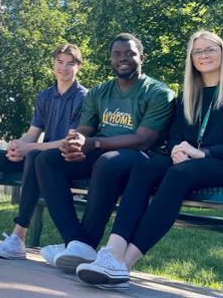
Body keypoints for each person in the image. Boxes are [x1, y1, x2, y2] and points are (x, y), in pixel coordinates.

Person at [75, 30, 223, 291]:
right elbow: (175, 136)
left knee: (178, 174)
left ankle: (125, 265)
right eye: (198, 51)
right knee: (144, 168)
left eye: (210, 49)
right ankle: (112, 251)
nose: (204, 55)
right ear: (192, 58)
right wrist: (176, 150)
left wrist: (203, 153)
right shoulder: (189, 93)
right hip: (192, 163)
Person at [36, 34, 175, 274]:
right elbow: (84, 131)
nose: (123, 59)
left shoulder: (158, 92)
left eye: (129, 54)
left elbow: (144, 140)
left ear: (141, 58)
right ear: (111, 59)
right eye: (117, 54)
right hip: (100, 150)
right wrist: (74, 144)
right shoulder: (99, 93)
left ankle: (85, 244)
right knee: (47, 160)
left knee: (107, 162)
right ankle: (75, 241)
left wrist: (94, 144)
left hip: (139, 157)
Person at [0, 43, 88, 259]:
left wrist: (28, 148)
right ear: (53, 64)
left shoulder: (84, 97)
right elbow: (32, 133)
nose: (64, 68)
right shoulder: (45, 96)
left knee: (34, 155)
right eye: (60, 62)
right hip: (37, 153)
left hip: (60, 161)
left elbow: (68, 142)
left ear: (78, 67)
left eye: (70, 63)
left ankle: (18, 238)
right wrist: (16, 147)